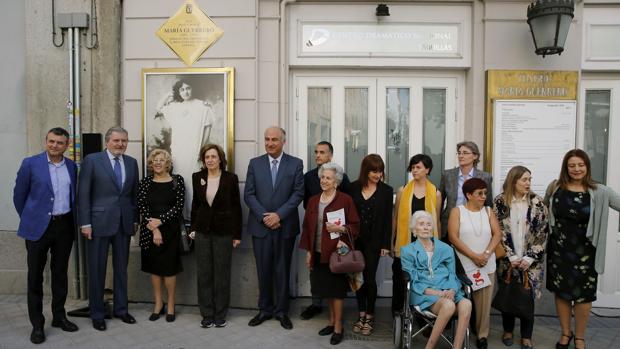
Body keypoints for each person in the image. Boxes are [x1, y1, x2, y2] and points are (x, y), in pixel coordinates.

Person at [544, 149, 620, 349]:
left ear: (587, 166)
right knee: (561, 293)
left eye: (580, 165)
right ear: (566, 168)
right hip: (559, 250)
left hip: (586, 252)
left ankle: (579, 337)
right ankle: (565, 333)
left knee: (583, 295)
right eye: (572, 165)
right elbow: (543, 211)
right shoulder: (555, 187)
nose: (576, 169)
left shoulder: (600, 191)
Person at [13, 127, 79, 344]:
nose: (54, 146)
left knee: (60, 274)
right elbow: (19, 197)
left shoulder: (71, 166)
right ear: (46, 141)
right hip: (38, 228)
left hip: (64, 227)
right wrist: (32, 218)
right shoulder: (30, 164)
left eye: (59, 143)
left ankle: (59, 317)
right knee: (35, 277)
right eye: (51, 141)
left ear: (66, 145)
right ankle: (37, 324)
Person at [78, 126, 139, 331]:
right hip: (98, 224)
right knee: (97, 270)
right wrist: (85, 223)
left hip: (123, 224)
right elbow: (83, 194)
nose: (121, 144)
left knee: (121, 270)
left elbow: (134, 196)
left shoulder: (131, 163)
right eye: (117, 141)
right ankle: (97, 313)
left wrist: (135, 220)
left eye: (124, 141)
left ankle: (121, 309)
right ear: (107, 142)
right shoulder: (92, 161)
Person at [244, 126, 304, 330]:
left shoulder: (295, 164)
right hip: (261, 227)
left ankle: (282, 311)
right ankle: (264, 309)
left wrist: (279, 215)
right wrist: (265, 217)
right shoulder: (255, 164)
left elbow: (298, 193)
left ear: (283, 141)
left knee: (282, 269)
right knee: (263, 270)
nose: (270, 143)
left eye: (274, 140)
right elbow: (249, 194)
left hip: (284, 226)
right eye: (267, 139)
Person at [299, 162, 360, 345]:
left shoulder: (345, 200)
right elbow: (307, 228)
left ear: (337, 182)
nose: (324, 181)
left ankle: (339, 327)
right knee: (326, 290)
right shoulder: (313, 200)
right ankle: (331, 322)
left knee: (337, 292)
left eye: (328, 178)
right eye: (322, 177)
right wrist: (309, 252)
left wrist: (339, 228)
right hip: (318, 253)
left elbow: (355, 227)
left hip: (336, 255)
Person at [493, 166, 548, 349]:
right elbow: (497, 231)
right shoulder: (500, 202)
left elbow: (543, 234)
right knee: (508, 292)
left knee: (527, 297)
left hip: (531, 263)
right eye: (524, 179)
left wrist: (529, 258)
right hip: (507, 260)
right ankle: (508, 331)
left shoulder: (538, 203)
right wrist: (511, 256)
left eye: (529, 179)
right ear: (513, 181)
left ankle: (526, 336)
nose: (528, 183)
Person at [401, 211, 472, 349]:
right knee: (448, 305)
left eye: (428, 224)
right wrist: (438, 293)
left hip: (449, 291)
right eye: (421, 224)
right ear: (414, 229)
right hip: (425, 295)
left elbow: (453, 274)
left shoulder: (445, 249)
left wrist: (452, 289)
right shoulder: (407, 251)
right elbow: (413, 281)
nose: (426, 227)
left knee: (466, 304)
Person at [190, 144, 242, 329]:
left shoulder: (230, 178)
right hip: (203, 232)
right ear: (203, 160)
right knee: (203, 274)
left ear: (220, 159)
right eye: (207, 157)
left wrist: (237, 234)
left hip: (224, 232)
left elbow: (236, 207)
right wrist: (193, 228)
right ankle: (207, 314)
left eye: (213, 156)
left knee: (221, 274)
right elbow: (196, 204)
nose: (210, 160)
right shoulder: (198, 177)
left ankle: (220, 314)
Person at [448, 178, 501, 349]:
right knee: (463, 299)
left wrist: (485, 254)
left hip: (486, 263)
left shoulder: (488, 211)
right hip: (464, 265)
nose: (483, 196)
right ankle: (460, 330)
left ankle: (482, 335)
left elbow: (497, 234)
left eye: (485, 193)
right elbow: (453, 237)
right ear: (468, 195)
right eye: (479, 193)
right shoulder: (458, 211)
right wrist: (473, 256)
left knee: (484, 304)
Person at [301, 141, 350, 320]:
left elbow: (347, 202)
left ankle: (335, 316)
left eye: (322, 152)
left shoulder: (340, 175)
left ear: (330, 155)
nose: (317, 155)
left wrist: (340, 228)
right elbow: (307, 203)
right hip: (317, 232)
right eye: (316, 152)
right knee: (315, 271)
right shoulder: (308, 177)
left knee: (334, 273)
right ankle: (316, 303)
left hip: (335, 234)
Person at [155, 79, 217, 221]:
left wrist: (202, 147)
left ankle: (193, 215)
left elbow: (208, 126)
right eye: (182, 90)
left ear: (192, 89)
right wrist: (168, 94)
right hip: (178, 150)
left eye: (188, 88)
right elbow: (158, 108)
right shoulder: (175, 107)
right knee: (180, 181)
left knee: (193, 180)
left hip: (194, 150)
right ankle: (181, 215)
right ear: (178, 92)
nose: (185, 92)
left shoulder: (201, 105)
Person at [137, 149, 184, 323]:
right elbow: (142, 207)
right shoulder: (145, 183)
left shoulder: (177, 181)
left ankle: (171, 304)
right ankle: (158, 303)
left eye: (161, 160)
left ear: (167, 163)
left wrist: (161, 222)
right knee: (154, 268)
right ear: (151, 164)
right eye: (154, 160)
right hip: (150, 231)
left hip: (170, 231)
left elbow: (178, 207)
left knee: (170, 269)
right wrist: (154, 228)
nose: (157, 163)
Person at [392, 154, 442, 315]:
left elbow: (437, 221)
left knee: (424, 280)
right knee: (400, 279)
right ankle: (398, 313)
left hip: (426, 245)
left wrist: (438, 246)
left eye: (418, 167)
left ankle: (422, 315)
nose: (414, 170)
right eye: (412, 167)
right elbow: (396, 217)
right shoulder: (403, 191)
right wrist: (392, 242)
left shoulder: (436, 193)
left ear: (427, 169)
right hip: (405, 243)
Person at [349, 154, 393, 335]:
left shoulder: (386, 190)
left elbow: (387, 220)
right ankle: (360, 314)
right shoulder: (352, 187)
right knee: (357, 279)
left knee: (370, 279)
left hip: (374, 243)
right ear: (366, 170)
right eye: (374, 171)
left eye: (380, 171)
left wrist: (385, 244)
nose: (377, 174)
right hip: (355, 241)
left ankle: (370, 315)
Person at [439, 141, 493, 240]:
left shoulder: (485, 177)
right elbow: (440, 200)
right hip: (450, 222)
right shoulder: (448, 175)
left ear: (475, 156)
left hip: (475, 224)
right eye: (459, 153)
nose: (461, 156)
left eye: (465, 153)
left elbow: (488, 203)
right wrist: (438, 222)